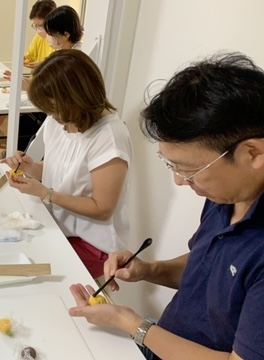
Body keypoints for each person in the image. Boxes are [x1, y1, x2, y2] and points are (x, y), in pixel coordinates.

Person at [68, 52, 264, 360]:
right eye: (171, 166)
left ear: (252, 153)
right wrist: (148, 270)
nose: (180, 182)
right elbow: (209, 266)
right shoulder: (225, 196)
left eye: (190, 170)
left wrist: (131, 324)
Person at [2, 50, 132, 279]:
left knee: (25, 273)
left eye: (54, 107)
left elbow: (102, 209)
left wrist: (45, 193)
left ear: (77, 98)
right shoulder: (58, 122)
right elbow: (55, 171)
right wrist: (29, 167)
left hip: (91, 242)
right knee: (7, 250)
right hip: (56, 225)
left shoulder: (109, 136)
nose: (51, 115)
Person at [0, 0, 56, 149]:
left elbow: (54, 67)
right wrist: (24, 59)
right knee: (7, 97)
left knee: (10, 101)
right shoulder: (40, 39)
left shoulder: (55, 42)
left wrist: (41, 65)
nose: (38, 30)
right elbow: (29, 56)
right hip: (36, 83)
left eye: (40, 25)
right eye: (36, 25)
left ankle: (7, 142)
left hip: (44, 88)